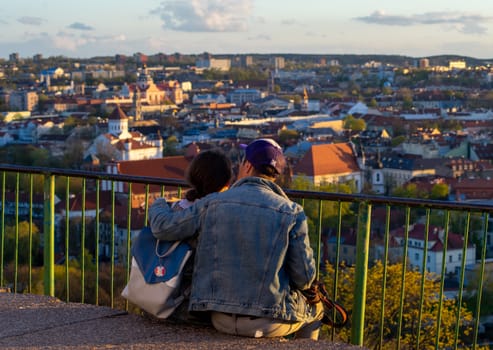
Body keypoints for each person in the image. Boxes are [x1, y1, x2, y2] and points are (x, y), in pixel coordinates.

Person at [149, 138, 323, 340]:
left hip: (218, 315)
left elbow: (164, 227)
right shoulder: (292, 212)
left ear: (247, 166)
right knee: (316, 309)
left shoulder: (212, 203)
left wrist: (159, 203)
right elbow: (304, 278)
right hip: (270, 319)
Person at [167, 148, 232, 323]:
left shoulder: (176, 209)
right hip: (205, 303)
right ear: (225, 183)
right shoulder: (222, 213)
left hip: (167, 296)